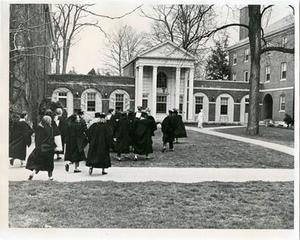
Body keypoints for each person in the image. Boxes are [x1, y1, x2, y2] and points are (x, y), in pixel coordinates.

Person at [26, 115, 55, 181]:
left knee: (38, 163)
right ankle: (50, 177)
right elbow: (51, 138)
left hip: (40, 148)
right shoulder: (50, 128)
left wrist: (37, 147)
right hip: (49, 148)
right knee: (49, 163)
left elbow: (37, 139)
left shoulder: (39, 128)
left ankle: (33, 173)